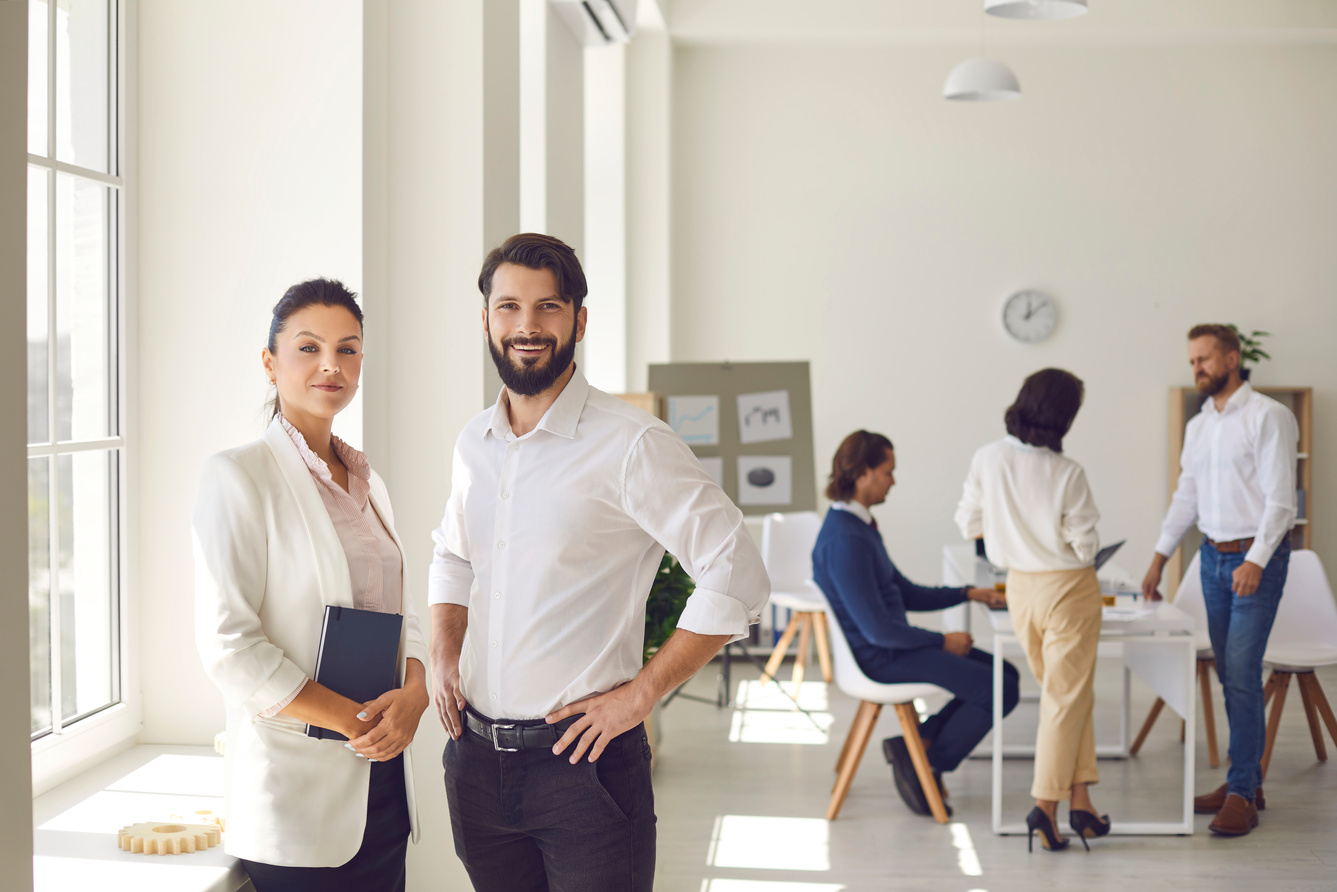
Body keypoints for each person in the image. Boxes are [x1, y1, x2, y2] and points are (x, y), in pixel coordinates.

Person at [428, 233, 769, 892]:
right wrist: (444, 653)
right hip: (475, 765)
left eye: (548, 308)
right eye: (508, 308)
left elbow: (736, 567)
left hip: (581, 770)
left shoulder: (632, 443)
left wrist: (643, 692)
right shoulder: (475, 441)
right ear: (486, 320)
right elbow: (452, 552)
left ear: (579, 321)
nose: (526, 326)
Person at [194, 279, 429, 891]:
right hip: (298, 796)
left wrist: (417, 692)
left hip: (383, 786)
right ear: (270, 362)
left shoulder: (369, 486)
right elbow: (231, 649)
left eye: (348, 350)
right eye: (309, 347)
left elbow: (406, 616)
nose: (332, 365)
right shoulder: (237, 476)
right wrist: (356, 721)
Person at [1141, 324, 1298, 838]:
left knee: (1241, 671)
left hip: (1255, 561)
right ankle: (1244, 783)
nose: (1196, 369)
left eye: (1204, 359)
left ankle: (1240, 793)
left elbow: (1281, 502)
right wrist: (1160, 556)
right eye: (1191, 361)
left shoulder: (1269, 416)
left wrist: (1255, 560)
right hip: (1209, 560)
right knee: (1234, 675)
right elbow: (1187, 494)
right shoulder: (1201, 423)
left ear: (1232, 359)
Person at [812, 430, 1019, 818]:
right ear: (863, 474)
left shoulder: (859, 527)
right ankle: (929, 761)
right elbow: (877, 630)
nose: (894, 480)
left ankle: (920, 741)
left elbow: (902, 592)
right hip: (880, 657)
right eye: (888, 471)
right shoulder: (845, 540)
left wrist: (967, 593)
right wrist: (943, 641)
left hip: (892, 645)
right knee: (999, 690)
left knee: (1005, 673)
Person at [955, 368, 1110, 852]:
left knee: (1068, 697)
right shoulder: (1068, 473)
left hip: (1019, 590)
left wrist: (1013, 536)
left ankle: (1081, 803)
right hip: (1069, 590)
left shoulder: (988, 457)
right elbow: (1085, 547)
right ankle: (1045, 807)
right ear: (1064, 416)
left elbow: (968, 523)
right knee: (1065, 700)